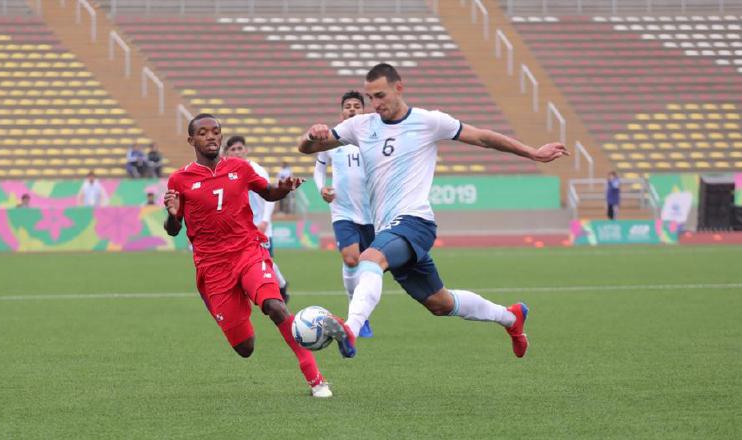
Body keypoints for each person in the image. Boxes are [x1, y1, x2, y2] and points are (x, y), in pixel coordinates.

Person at [298, 63, 568, 360]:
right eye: (370, 97)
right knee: (440, 303)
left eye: (380, 95)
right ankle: (511, 318)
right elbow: (307, 149)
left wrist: (532, 152)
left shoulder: (429, 121)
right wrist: (312, 135)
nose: (375, 104)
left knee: (368, 260)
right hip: (388, 229)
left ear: (399, 88)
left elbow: (482, 137)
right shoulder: (360, 126)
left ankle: (351, 329)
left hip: (415, 222)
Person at [163, 113, 331, 398]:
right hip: (213, 265)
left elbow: (268, 193)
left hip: (247, 251)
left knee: (275, 306)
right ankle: (230, 305)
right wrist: (173, 215)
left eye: (215, 131)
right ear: (191, 140)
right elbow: (172, 229)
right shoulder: (180, 179)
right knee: (245, 348)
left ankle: (316, 379)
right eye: (203, 133)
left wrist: (284, 188)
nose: (211, 137)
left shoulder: (239, 168)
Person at [313, 90, 375, 338]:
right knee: (351, 259)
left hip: (372, 212)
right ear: (342, 112)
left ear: (364, 111)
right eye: (348, 106)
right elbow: (319, 170)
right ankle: (357, 314)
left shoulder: (371, 137)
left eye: (356, 106)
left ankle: (362, 310)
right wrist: (322, 188)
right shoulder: (331, 140)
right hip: (343, 210)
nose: (352, 109)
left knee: (370, 265)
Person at [223, 135, 291, 303]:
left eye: (240, 148)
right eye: (233, 149)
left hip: (260, 225)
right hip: (239, 228)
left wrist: (265, 220)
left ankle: (280, 286)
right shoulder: (226, 172)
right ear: (227, 153)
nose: (237, 152)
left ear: (246, 150)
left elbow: (270, 196)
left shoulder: (258, 170)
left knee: (266, 261)